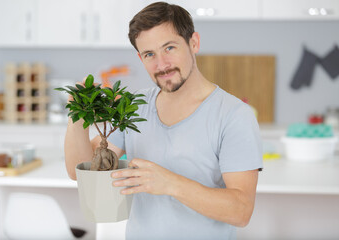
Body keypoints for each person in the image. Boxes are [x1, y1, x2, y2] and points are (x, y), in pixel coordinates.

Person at [64, 2, 263, 239]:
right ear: (140, 58)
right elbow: (81, 172)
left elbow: (241, 212)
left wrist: (170, 183)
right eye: (150, 54)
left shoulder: (234, 115)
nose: (162, 65)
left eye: (169, 48)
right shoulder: (135, 107)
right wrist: (77, 115)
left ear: (194, 43)